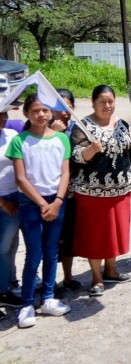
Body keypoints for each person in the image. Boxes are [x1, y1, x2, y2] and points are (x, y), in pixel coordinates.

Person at [71, 86, 131, 297]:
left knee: (114, 233)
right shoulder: (82, 126)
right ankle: (96, 277)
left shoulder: (122, 125)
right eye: (102, 101)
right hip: (92, 193)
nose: (107, 105)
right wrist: (90, 150)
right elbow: (75, 156)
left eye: (110, 101)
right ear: (93, 102)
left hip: (120, 192)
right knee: (95, 236)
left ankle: (111, 269)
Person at [7, 94, 71, 328]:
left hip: (57, 200)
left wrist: (57, 201)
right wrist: (43, 204)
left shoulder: (62, 139)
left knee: (52, 251)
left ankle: (47, 298)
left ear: (51, 112)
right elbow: (21, 179)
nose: (41, 114)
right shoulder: (19, 141)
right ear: (26, 114)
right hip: (31, 203)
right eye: (35, 111)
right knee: (34, 253)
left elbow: (65, 173)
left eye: (45, 110)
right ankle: (26, 304)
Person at [50, 88, 81, 292]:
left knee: (68, 237)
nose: (65, 112)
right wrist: (53, 133)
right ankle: (49, 282)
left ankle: (68, 277)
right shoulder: (44, 130)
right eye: (60, 107)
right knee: (51, 239)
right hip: (51, 193)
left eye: (68, 106)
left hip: (73, 192)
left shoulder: (79, 129)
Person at [0, 106, 22, 310]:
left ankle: (10, 284)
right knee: (3, 248)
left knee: (12, 246)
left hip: (15, 196)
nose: (3, 117)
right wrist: (3, 203)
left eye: (4, 113)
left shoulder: (11, 134)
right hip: (3, 202)